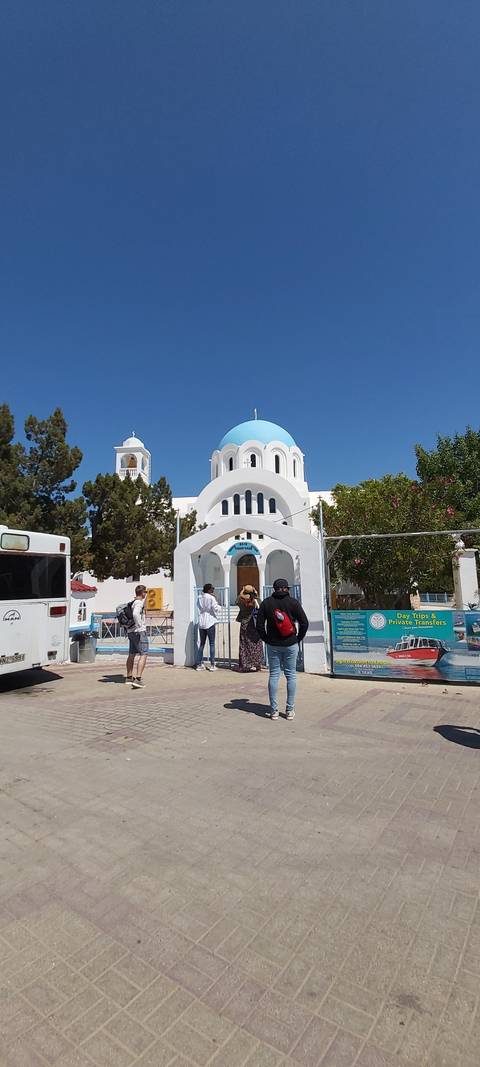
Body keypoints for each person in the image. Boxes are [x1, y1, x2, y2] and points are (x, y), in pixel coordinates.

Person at [256, 578, 309, 720]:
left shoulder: (266, 603)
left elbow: (259, 625)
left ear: (274, 588)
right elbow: (304, 622)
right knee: (290, 675)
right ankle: (289, 710)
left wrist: (266, 639)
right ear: (286, 588)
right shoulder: (293, 603)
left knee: (274, 675)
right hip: (290, 643)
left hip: (273, 644)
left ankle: (274, 711)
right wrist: (298, 638)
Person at [236, 585, 263, 672]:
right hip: (254, 624)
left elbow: (237, 600)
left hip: (244, 624)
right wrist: (255, 593)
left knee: (244, 644)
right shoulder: (256, 600)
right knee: (256, 644)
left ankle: (245, 664)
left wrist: (242, 592)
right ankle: (257, 664)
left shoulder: (240, 600)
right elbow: (261, 604)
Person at [126, 584, 149, 689]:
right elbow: (135, 614)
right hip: (139, 632)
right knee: (143, 654)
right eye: (146, 592)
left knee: (132, 654)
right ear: (143, 593)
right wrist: (140, 626)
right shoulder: (139, 603)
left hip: (131, 632)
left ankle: (129, 677)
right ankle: (138, 679)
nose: (146, 594)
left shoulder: (133, 602)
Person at [196, 584, 221, 671]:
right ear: (209, 590)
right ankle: (212, 664)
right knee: (212, 643)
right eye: (212, 589)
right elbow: (216, 608)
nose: (213, 590)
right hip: (210, 621)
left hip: (201, 621)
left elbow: (198, 607)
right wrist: (218, 604)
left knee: (202, 644)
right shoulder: (211, 598)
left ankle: (199, 664)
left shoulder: (199, 597)